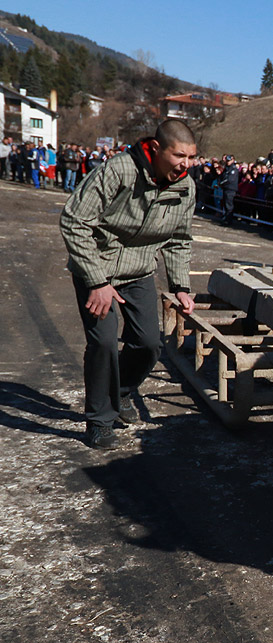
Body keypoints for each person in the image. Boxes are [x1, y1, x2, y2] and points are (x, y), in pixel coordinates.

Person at [61, 118, 198, 450]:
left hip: (138, 271)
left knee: (149, 343)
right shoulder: (119, 171)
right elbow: (74, 220)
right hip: (97, 266)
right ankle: (99, 419)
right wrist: (96, 281)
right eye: (179, 156)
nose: (186, 165)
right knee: (104, 343)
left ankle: (118, 392)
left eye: (191, 157)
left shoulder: (185, 187)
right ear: (155, 149)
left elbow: (179, 239)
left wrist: (180, 285)